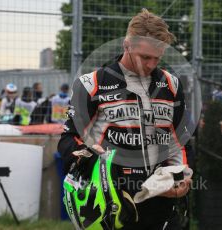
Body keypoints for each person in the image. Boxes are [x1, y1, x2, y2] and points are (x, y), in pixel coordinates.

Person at [58, 9, 193, 229]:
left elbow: (180, 142)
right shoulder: (91, 84)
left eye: (157, 58)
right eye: (145, 57)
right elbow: (68, 140)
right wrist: (89, 156)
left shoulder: (171, 84)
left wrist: (181, 179)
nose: (150, 64)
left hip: (163, 201)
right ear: (126, 45)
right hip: (113, 204)